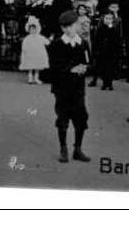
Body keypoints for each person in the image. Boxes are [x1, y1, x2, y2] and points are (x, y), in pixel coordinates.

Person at [46, 10, 91, 163]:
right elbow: (52, 68)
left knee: (81, 117)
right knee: (63, 118)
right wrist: (70, 69)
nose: (68, 30)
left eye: (71, 26)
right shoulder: (57, 44)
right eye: (64, 27)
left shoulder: (83, 44)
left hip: (78, 89)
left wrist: (85, 68)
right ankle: (63, 148)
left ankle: (77, 149)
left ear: (77, 25)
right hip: (62, 88)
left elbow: (89, 62)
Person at [90, 10, 122, 90]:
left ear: (112, 20)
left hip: (111, 51)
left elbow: (117, 40)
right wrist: (95, 50)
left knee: (110, 68)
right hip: (101, 51)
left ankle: (109, 83)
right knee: (101, 67)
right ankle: (103, 83)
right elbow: (96, 40)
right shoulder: (100, 29)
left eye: (110, 19)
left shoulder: (114, 29)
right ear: (103, 19)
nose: (108, 20)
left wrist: (117, 51)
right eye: (106, 18)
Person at [19, 16, 49, 84]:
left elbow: (46, 41)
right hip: (30, 54)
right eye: (31, 29)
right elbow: (24, 46)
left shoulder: (40, 37)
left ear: (37, 29)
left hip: (38, 54)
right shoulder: (27, 38)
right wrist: (24, 51)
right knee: (30, 67)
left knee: (37, 68)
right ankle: (30, 78)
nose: (32, 31)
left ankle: (36, 78)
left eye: (34, 29)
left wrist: (49, 40)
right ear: (28, 30)